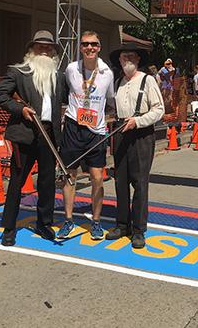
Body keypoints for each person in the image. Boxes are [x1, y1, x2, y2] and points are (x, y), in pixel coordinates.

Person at [0, 30, 64, 246]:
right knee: (17, 181)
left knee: (47, 182)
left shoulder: (57, 75)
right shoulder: (17, 72)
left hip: (49, 135)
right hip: (24, 134)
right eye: (40, 46)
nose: (44, 50)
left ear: (53, 51)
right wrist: (19, 110)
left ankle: (44, 223)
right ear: (32, 49)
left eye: (48, 47)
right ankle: (9, 227)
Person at [57, 31, 115, 240]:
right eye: (85, 44)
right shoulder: (71, 68)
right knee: (69, 175)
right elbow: (64, 93)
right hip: (73, 126)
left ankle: (96, 222)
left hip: (96, 131)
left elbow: (110, 100)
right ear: (80, 47)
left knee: (97, 178)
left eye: (94, 44)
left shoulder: (107, 72)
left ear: (99, 47)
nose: (89, 48)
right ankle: (69, 220)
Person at [106, 43, 164, 249]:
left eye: (131, 56)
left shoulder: (147, 80)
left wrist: (138, 121)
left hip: (141, 134)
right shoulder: (119, 82)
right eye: (124, 57)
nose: (127, 59)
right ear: (119, 61)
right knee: (120, 181)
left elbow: (159, 110)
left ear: (138, 60)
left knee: (139, 183)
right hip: (121, 132)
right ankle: (123, 225)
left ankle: (139, 230)